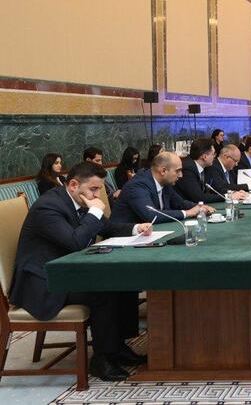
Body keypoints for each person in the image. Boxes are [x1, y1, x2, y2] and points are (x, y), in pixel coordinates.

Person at [9, 162, 152, 380]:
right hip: (43, 282)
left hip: (66, 272)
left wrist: (136, 228)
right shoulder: (48, 207)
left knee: (123, 281)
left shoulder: (78, 200)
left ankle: (117, 347)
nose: (97, 195)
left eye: (99, 189)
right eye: (93, 189)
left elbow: (108, 227)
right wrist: (94, 211)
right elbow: (75, 242)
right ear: (74, 185)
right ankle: (102, 359)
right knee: (102, 292)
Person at [111, 151, 211, 225]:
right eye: (177, 171)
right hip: (124, 239)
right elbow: (151, 215)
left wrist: (200, 207)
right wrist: (188, 213)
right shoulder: (138, 185)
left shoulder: (165, 183)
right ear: (163, 171)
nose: (181, 175)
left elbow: (180, 203)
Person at [175, 138, 223, 204]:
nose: (214, 157)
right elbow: (199, 197)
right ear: (204, 157)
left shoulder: (207, 167)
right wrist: (226, 196)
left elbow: (217, 187)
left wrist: (231, 194)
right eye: (213, 154)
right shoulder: (187, 169)